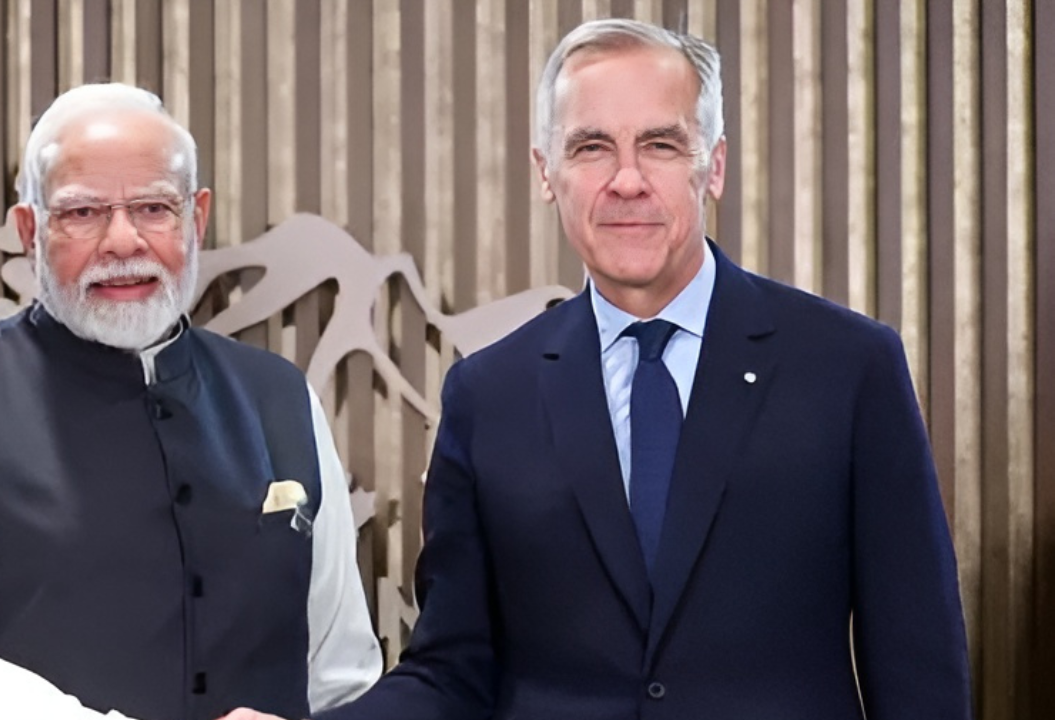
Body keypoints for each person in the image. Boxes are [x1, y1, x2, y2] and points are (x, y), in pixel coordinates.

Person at [224, 17, 972, 720]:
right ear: (546, 172)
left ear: (713, 166)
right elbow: (452, 670)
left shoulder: (848, 368)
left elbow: (919, 667)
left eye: (661, 144)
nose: (626, 180)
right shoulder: (488, 396)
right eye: (591, 148)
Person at [0, 83, 381, 720]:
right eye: (83, 213)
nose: (124, 242)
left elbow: (341, 674)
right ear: (29, 231)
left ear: (197, 219)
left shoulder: (281, 395)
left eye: (155, 208)